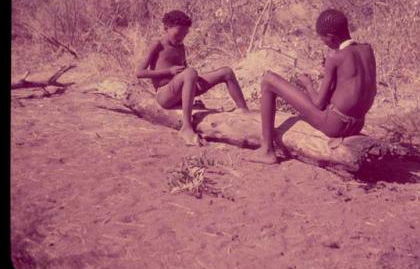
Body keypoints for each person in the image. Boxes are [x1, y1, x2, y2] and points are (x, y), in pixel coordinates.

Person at [247, 8, 377, 164]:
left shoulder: (335, 56)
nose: (322, 42)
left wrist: (307, 84)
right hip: (357, 124)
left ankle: (267, 150)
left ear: (331, 37)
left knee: (269, 80)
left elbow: (319, 103)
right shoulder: (367, 50)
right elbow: (350, 88)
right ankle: (267, 148)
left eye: (322, 38)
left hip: (335, 125)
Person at [136, 10, 249, 146]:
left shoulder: (181, 47)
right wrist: (169, 71)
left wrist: (189, 76)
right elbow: (140, 73)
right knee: (191, 72)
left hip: (180, 89)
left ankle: (244, 111)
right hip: (165, 94)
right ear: (166, 28)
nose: (182, 37)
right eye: (179, 32)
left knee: (226, 72)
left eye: (185, 34)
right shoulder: (157, 45)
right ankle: (186, 127)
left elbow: (185, 71)